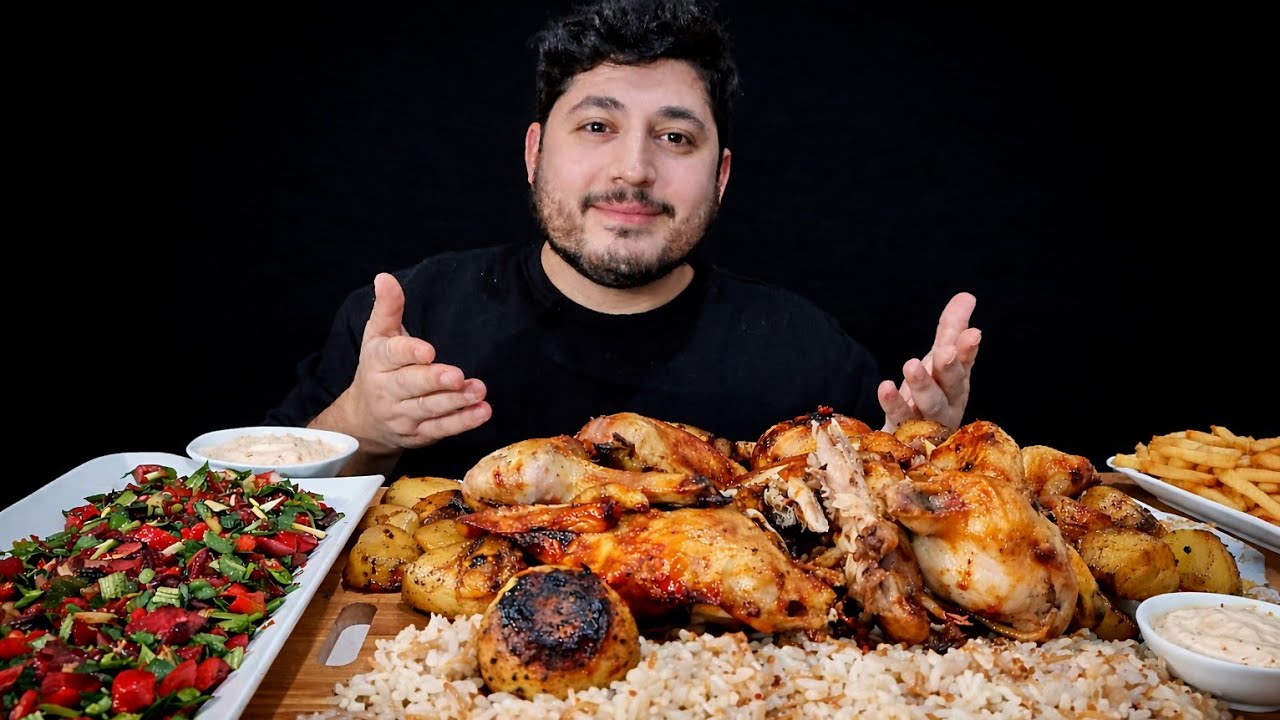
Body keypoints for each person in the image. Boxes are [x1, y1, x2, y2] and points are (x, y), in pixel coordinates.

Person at [264, 0, 981, 480]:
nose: (634, 169)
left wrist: (924, 459)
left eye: (675, 137)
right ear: (535, 152)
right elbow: (256, 525)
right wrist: (361, 425)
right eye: (597, 127)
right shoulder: (410, 319)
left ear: (721, 175)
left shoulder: (810, 360)